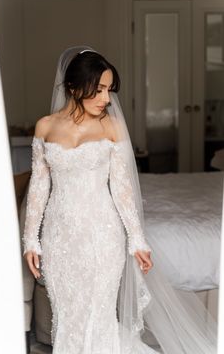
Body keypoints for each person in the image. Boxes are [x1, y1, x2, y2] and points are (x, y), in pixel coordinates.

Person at [23, 46, 217, 354]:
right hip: (59, 239)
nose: (106, 99)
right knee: (67, 315)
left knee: (98, 316)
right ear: (74, 87)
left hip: (103, 236)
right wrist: (31, 240)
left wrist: (137, 240)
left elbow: (123, 189)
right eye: (98, 89)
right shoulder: (45, 126)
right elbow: (38, 188)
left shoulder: (111, 127)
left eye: (109, 90)